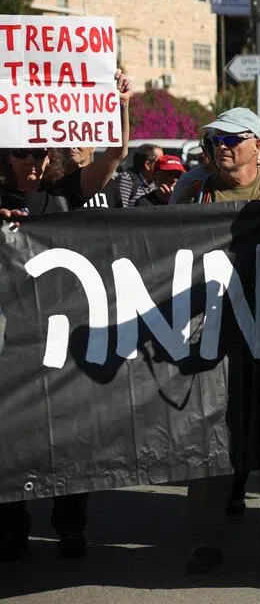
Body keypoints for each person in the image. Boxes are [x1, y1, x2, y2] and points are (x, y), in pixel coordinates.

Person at [0, 69, 133, 561]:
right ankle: (11, 527)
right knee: (9, 436)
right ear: (4, 157)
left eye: (38, 153)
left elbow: (116, 155)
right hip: (9, 338)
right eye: (22, 154)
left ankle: (70, 526)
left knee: (67, 435)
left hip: (60, 333)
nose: (33, 163)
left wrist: (119, 103)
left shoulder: (64, 191)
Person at [173, 107, 260, 573]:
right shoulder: (195, 189)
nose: (222, 147)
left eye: (232, 139)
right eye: (215, 140)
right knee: (208, 435)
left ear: (257, 144)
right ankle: (206, 537)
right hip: (210, 332)